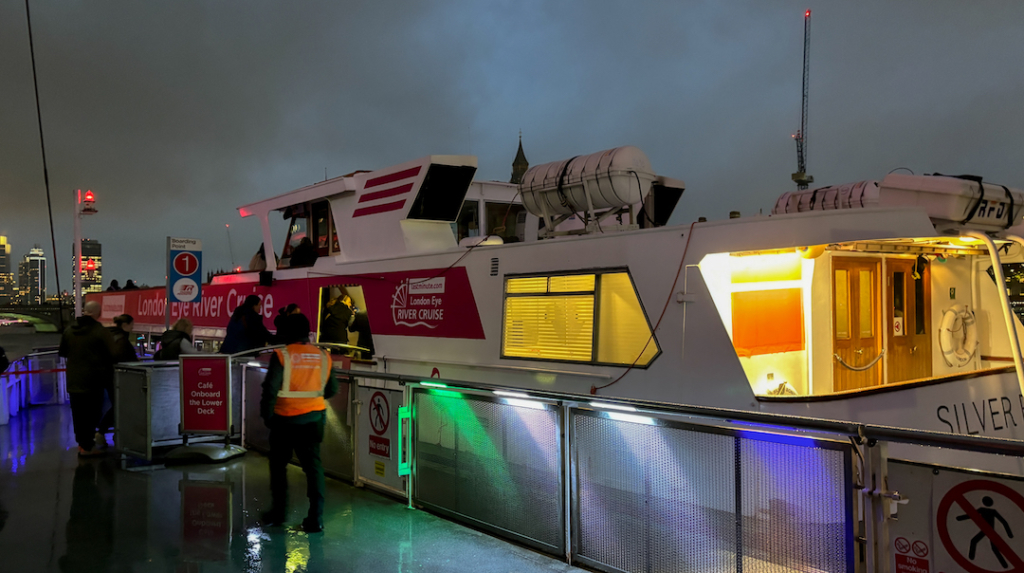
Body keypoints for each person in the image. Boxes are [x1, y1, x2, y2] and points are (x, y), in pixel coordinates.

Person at [260, 313, 338, 533]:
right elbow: (331, 389)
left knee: (278, 466)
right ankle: (316, 519)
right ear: (307, 332)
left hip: (283, 421)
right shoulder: (323, 356)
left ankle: (279, 514)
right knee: (313, 468)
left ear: (287, 333)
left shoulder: (283, 355)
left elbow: (270, 389)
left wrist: (267, 416)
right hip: (313, 420)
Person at [58, 301, 116, 457]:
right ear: (99, 313)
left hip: (74, 380)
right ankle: (88, 446)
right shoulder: (100, 332)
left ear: (84, 311)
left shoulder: (69, 331)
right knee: (92, 414)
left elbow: (62, 352)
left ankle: (82, 445)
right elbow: (112, 354)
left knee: (78, 414)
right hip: (94, 380)